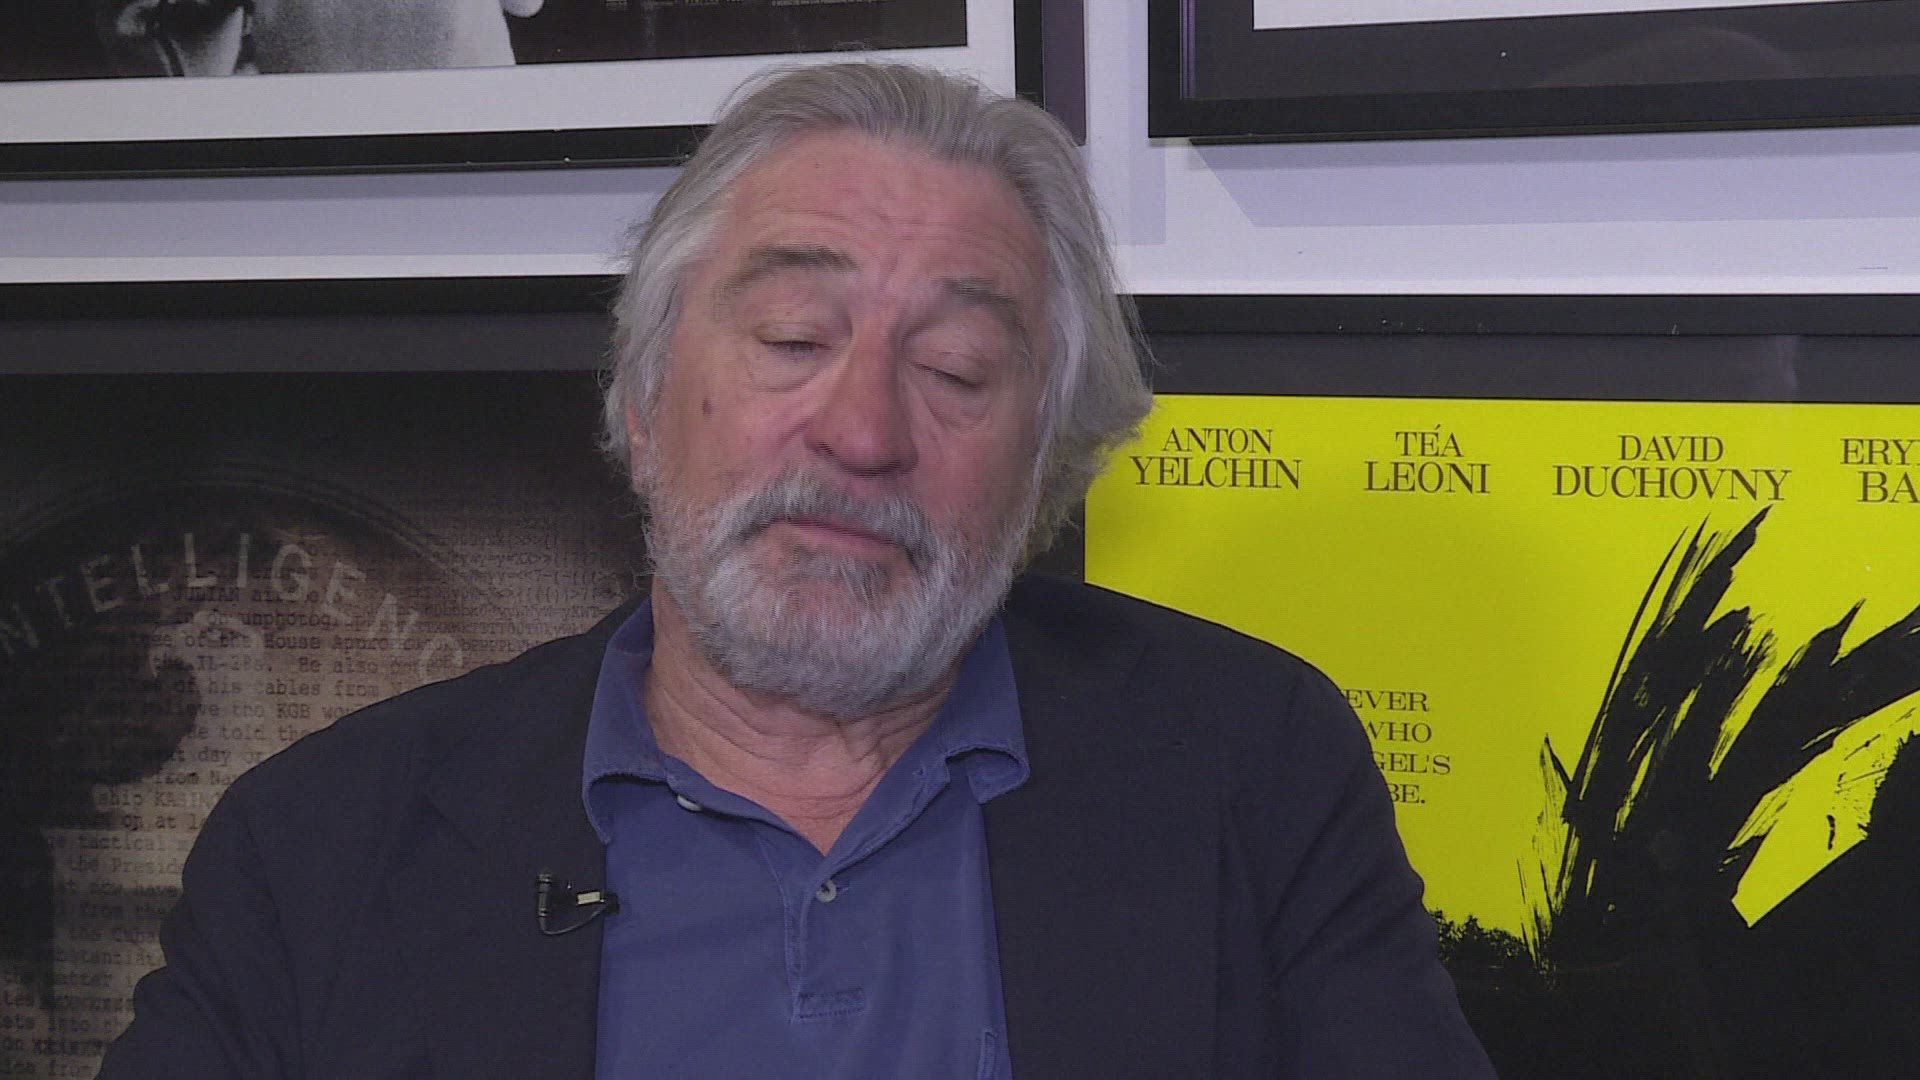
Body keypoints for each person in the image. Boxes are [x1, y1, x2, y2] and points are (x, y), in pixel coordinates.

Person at [97, 61, 1494, 1078]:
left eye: (957, 369)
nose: (864, 431)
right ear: (644, 400)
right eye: (790, 340)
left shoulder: (1256, 771)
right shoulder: (319, 847)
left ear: (1043, 469)